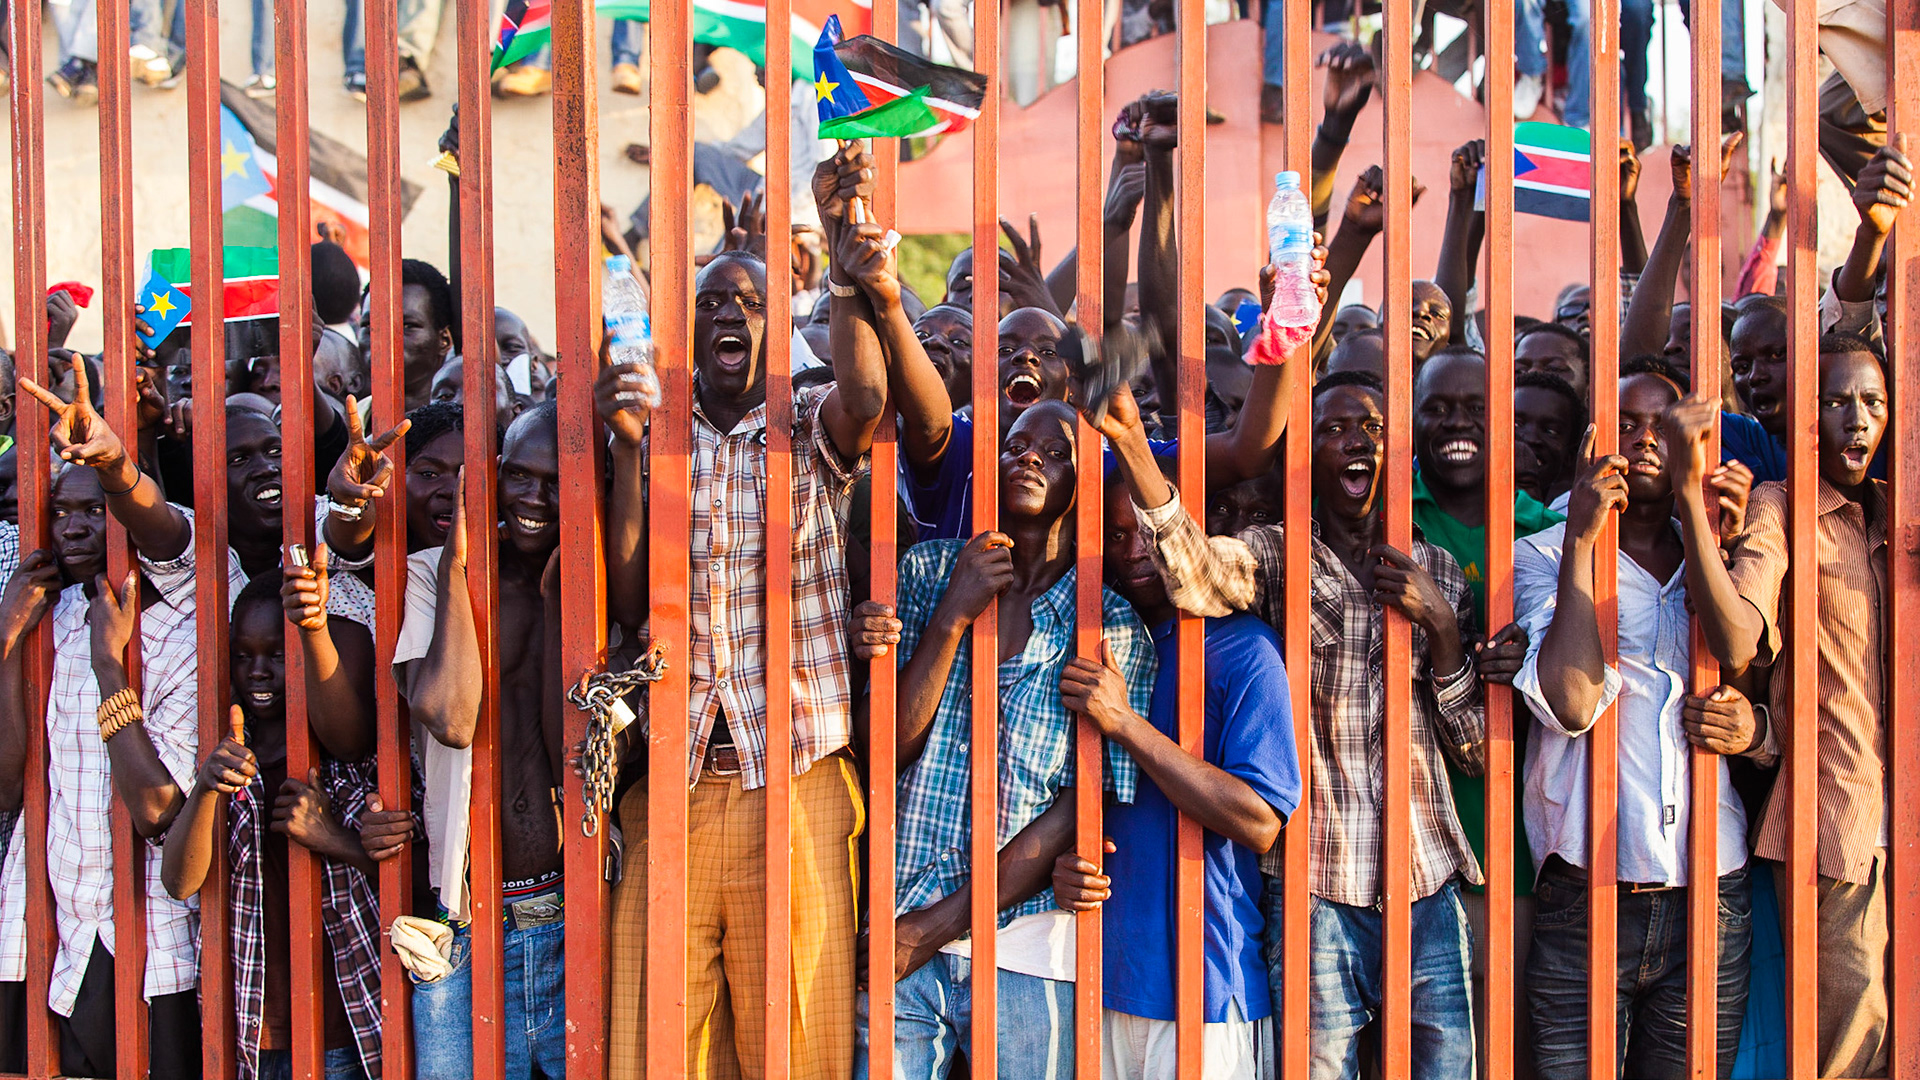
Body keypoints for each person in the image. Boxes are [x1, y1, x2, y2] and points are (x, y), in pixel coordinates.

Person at [598, 159, 889, 1075]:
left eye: (752, 303)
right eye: (712, 301)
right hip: (675, 780)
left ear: (778, 328)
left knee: (794, 1046)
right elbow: (629, 597)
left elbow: (868, 399)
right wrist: (626, 454)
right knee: (657, 1048)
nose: (731, 312)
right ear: (688, 327)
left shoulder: (807, 424)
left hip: (796, 777)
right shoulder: (658, 435)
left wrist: (841, 266)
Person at [1124, 371, 1485, 1080]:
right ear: (1306, 456)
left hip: (1428, 881)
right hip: (1317, 885)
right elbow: (1195, 577)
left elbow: (1475, 751)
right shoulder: (1276, 553)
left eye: (1372, 428)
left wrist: (1442, 626)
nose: (1356, 441)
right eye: (1333, 428)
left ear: (1397, 450)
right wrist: (1135, 448)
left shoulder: (1438, 569)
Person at [856, 399, 1157, 1080]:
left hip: (1023, 944)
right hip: (896, 916)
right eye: (1016, 446)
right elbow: (887, 749)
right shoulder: (931, 572)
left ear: (1084, 482)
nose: (1029, 459)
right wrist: (954, 614)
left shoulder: (1110, 628)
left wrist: (934, 928)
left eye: (1054, 453)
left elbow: (1076, 810)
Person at [0, 353, 243, 1080]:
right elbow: (10, 787)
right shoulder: (54, 613)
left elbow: (157, 811)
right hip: (46, 929)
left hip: (147, 943)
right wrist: (7, 644)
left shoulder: (192, 600)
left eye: (93, 510)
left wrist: (112, 666)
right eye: (60, 511)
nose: (74, 527)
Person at [1513, 369, 1758, 1079]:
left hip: (1710, 888)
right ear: (1594, 438)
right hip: (1586, 893)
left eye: (1665, 427)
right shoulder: (1540, 552)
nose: (1646, 440)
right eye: (1627, 423)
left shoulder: (1719, 549)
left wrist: (1693, 499)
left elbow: (1739, 651)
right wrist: (1582, 542)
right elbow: (1573, 702)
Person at [1052, 437, 1301, 1079]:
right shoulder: (1094, 644)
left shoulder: (1245, 648)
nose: (1133, 550)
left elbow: (1260, 819)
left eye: (1142, 530)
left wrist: (1126, 724)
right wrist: (1061, 867)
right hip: (1098, 979)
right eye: (1113, 536)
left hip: (1209, 988)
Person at [1681, 335, 1894, 1078]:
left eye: (1873, 402)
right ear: (1805, 416)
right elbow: (1743, 634)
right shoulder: (1781, 507)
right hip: (1837, 820)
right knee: (1849, 1044)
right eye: (1836, 402)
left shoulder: (1894, 515)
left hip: (1900, 810)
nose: (1857, 419)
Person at [384, 399, 567, 1080]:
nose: (533, 498)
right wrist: (458, 566)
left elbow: (571, 744)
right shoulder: (427, 575)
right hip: (468, 924)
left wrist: (557, 602)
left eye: (555, 482)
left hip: (572, 909)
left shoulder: (587, 579)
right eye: (518, 476)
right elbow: (450, 714)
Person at [158, 573, 383, 1080]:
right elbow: (180, 881)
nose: (258, 671)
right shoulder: (224, 759)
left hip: (348, 1024)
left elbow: (412, 878)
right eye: (243, 656)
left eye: (277, 655)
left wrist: (334, 839)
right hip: (253, 1031)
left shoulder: (347, 760)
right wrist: (207, 787)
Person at [356, 259, 457, 412]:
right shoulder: (349, 418)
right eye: (370, 325)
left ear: (444, 340)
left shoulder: (461, 423)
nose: (384, 339)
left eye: (407, 326)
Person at [1512, 372, 1585, 511]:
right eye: (1516, 424)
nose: (1531, 438)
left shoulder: (1567, 518)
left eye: (1550, 431)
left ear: (1570, 455)